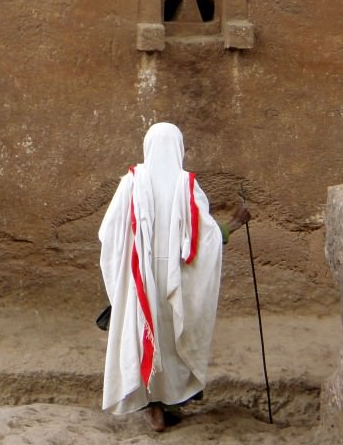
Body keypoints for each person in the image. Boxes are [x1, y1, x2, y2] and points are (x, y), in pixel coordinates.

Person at [98, 121, 250, 432]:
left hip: (140, 276)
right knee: (172, 338)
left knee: (144, 336)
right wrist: (231, 225)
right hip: (175, 277)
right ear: (179, 148)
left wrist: (124, 271)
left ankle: (153, 407)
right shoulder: (187, 184)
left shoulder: (131, 183)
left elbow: (108, 233)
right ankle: (167, 402)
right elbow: (203, 237)